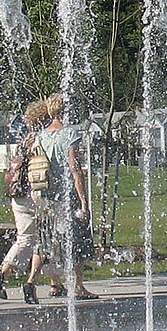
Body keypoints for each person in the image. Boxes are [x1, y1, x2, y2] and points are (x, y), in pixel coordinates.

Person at [30, 93, 97, 301]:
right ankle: (77, 287)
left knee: (45, 241)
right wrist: (83, 201)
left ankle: (31, 281)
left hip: (45, 196)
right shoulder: (70, 134)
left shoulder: (40, 136)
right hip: (67, 196)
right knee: (76, 240)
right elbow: (74, 169)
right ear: (66, 111)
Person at [0, 99, 49, 304]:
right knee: (40, 240)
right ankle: (26, 281)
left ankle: (6, 275)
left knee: (28, 239)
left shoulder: (25, 140)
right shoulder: (41, 139)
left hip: (18, 195)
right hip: (35, 195)